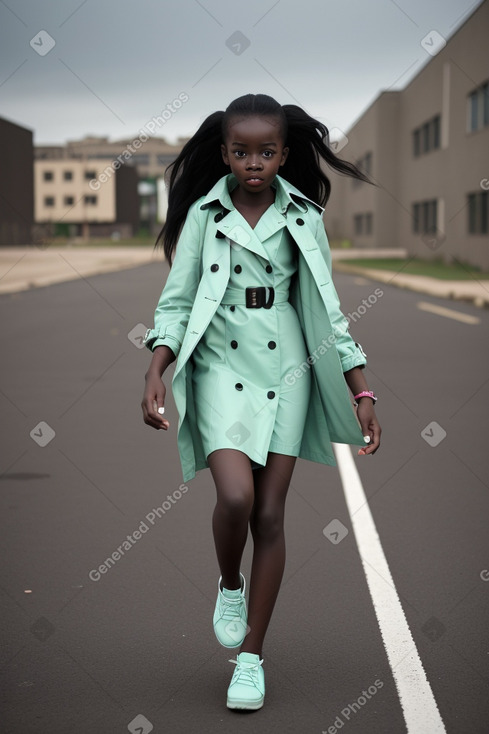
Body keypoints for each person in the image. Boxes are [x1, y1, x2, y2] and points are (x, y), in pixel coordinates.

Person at [141, 93, 381, 711]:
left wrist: (361, 388)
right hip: (220, 367)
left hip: (289, 369)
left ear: (284, 153)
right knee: (235, 496)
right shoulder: (204, 215)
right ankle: (229, 581)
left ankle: (250, 658)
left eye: (266, 151)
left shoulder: (304, 216)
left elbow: (328, 310)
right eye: (241, 151)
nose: (254, 162)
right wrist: (157, 367)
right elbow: (175, 301)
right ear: (223, 153)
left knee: (269, 517)